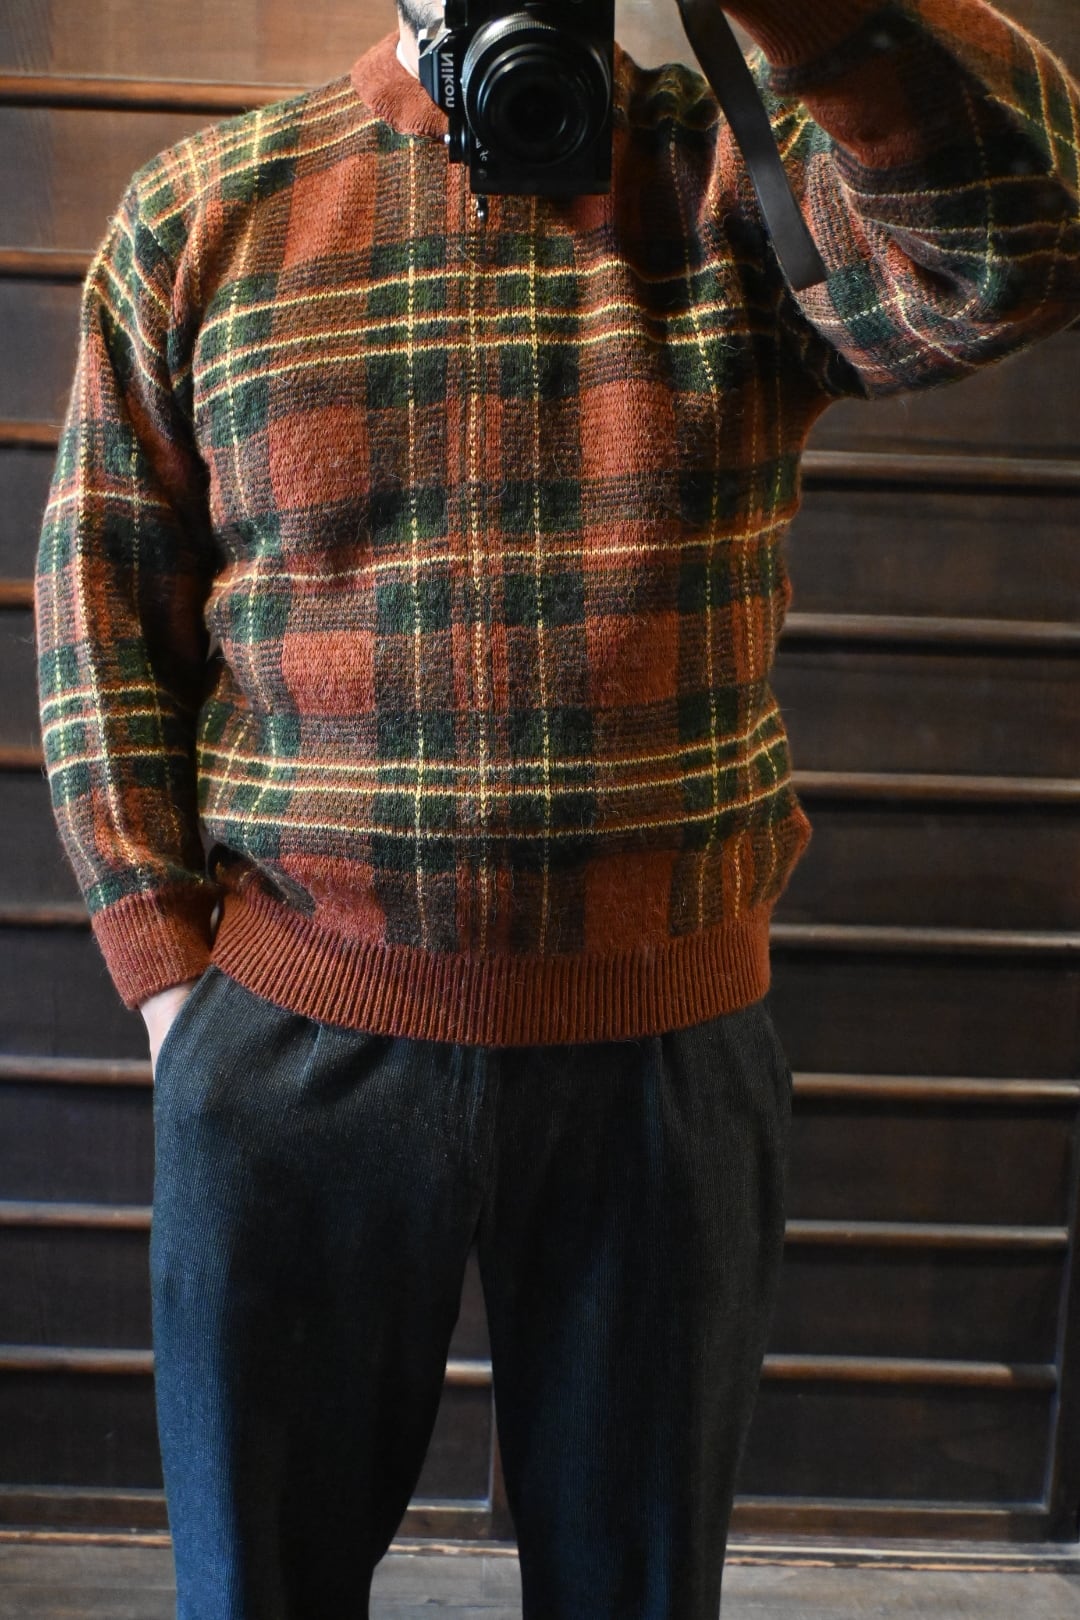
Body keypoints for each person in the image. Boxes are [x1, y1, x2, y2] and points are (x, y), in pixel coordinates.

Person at [33, 1, 1080, 1616]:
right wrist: (170, 976)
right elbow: (100, 609)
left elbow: (1021, 243)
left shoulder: (745, 177)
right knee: (258, 1590)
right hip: (292, 1051)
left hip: (666, 1058)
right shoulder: (203, 211)